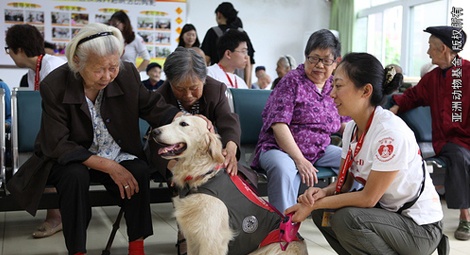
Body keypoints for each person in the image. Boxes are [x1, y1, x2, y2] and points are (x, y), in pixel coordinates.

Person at [6, 23, 183, 255]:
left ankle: (136, 247)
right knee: (74, 177)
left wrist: (182, 117)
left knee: (138, 170)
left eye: (113, 67)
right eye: (99, 69)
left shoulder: (127, 73)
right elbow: (58, 143)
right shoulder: (55, 85)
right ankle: (78, 250)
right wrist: (109, 167)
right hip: (70, 157)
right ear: (77, 63)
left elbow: (151, 106)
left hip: (115, 151)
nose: (108, 76)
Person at [285, 52, 445, 255]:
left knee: (347, 219)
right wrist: (321, 194)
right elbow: (346, 185)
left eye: (339, 86)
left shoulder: (389, 133)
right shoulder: (352, 129)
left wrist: (314, 205)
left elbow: (368, 198)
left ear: (365, 91)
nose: (332, 93)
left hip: (420, 227)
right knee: (323, 214)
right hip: (389, 217)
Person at [151, 47, 241, 255]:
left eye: (194, 88)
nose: (188, 95)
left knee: (229, 176)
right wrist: (172, 165)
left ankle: (222, 228)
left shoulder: (216, 89)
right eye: (180, 89)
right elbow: (155, 138)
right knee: (185, 176)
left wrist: (231, 146)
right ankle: (187, 233)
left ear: (204, 79)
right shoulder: (160, 96)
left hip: (208, 154)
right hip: (172, 155)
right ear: (170, 83)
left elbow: (229, 121)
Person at [250, 29, 347, 213]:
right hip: (280, 149)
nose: (319, 65)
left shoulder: (334, 85)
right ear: (306, 57)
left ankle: (340, 215)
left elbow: (344, 123)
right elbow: (279, 125)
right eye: (314, 58)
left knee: (354, 163)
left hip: (319, 149)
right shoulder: (291, 81)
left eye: (326, 60)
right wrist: (300, 160)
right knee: (283, 168)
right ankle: (283, 228)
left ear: (336, 62)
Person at [390, 26, 470, 241]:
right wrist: (396, 108)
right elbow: (412, 96)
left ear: (443, 48)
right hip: (449, 140)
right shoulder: (433, 78)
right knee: (460, 156)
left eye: (430, 48)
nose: (428, 53)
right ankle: (465, 217)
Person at [6, 24, 66, 239]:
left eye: (9, 50)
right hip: (52, 132)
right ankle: (55, 214)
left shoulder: (54, 66)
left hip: (68, 132)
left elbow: (62, 111)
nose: (10, 54)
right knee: (36, 154)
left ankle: (56, 216)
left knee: (43, 158)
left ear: (19, 50)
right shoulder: (34, 72)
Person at [201, 2, 255, 85]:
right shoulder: (242, 34)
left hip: (217, 78)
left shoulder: (212, 32)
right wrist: (247, 85)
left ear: (219, 14)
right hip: (239, 77)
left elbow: (205, 59)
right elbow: (249, 62)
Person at [6, 24, 66, 90]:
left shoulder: (52, 66)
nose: (9, 53)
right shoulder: (32, 71)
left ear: (19, 50)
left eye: (8, 49)